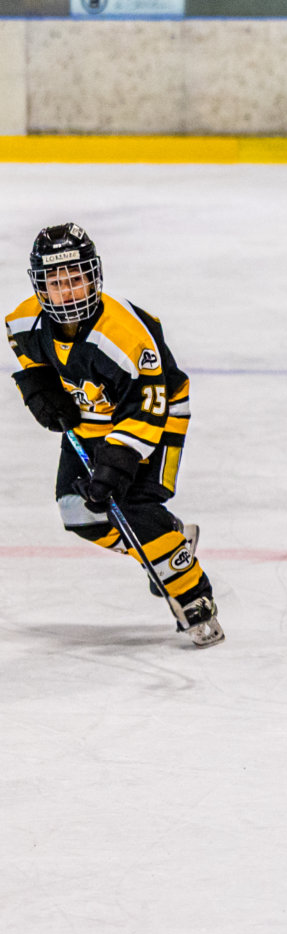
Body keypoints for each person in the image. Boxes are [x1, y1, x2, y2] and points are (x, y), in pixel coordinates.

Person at [7, 224, 221, 646]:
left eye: (75, 279)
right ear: (40, 286)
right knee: (79, 512)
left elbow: (147, 407)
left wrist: (117, 465)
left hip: (157, 415)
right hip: (91, 418)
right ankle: (167, 539)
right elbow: (29, 356)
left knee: (132, 504)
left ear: (94, 275)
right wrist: (38, 386)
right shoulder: (24, 320)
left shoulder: (122, 335)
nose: (68, 292)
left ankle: (191, 594)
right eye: (56, 283)